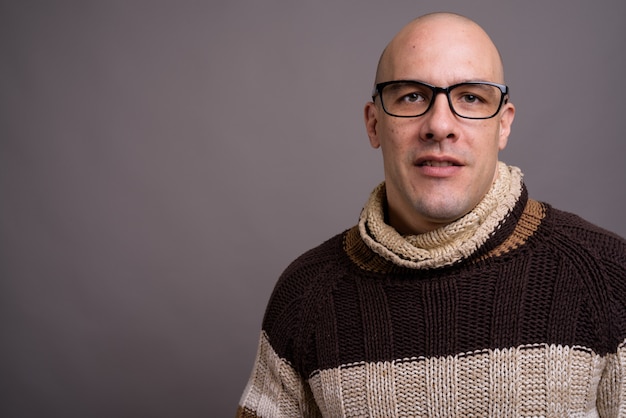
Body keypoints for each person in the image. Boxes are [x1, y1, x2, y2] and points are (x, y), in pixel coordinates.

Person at [236, 12, 626, 417]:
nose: (440, 126)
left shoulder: (609, 278)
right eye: (411, 96)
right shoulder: (305, 296)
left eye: (471, 98)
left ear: (504, 125)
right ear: (373, 124)